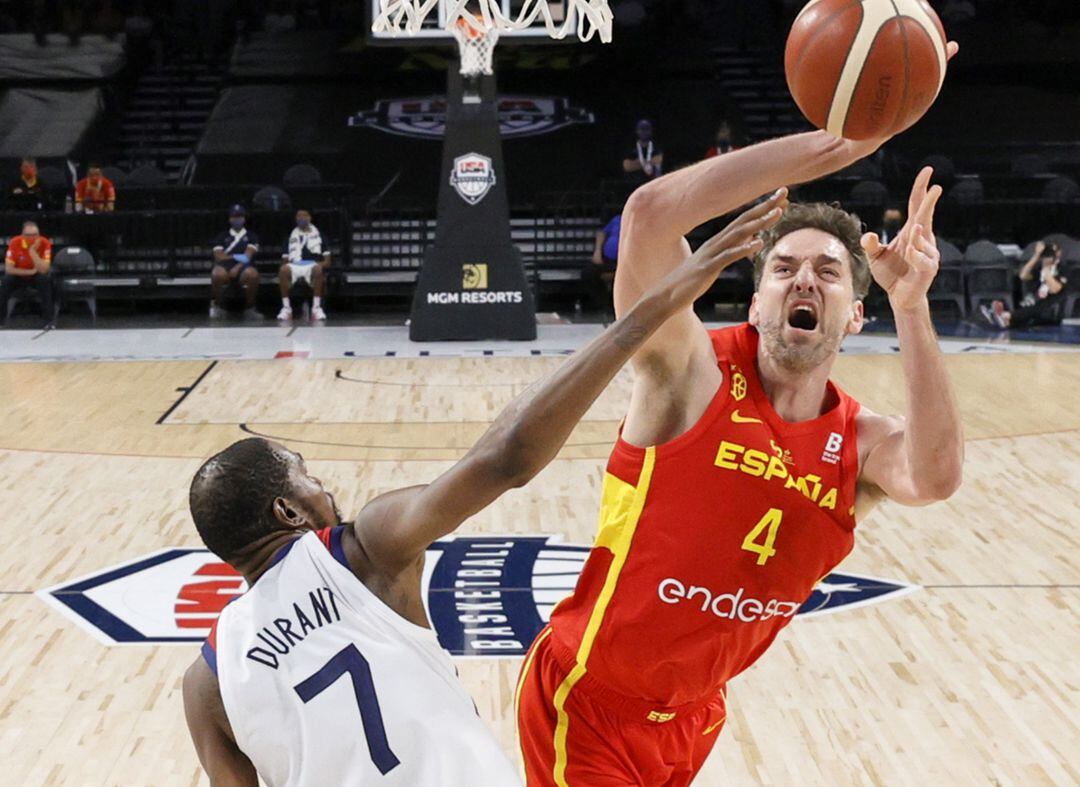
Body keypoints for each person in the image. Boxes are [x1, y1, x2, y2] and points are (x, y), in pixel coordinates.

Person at [180, 196, 787, 786]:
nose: (324, 488)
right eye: (306, 475)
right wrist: (649, 311)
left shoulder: (206, 684)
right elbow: (507, 458)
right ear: (286, 510)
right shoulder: (362, 552)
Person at [517, 44, 965, 786]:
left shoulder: (855, 438)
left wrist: (912, 307)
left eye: (827, 271)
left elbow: (936, 475)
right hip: (589, 702)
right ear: (755, 301)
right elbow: (651, 214)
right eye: (783, 267)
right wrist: (839, 145)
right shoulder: (688, 371)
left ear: (855, 314)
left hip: (696, 715)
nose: (804, 279)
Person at [980, 240, 1068, 329]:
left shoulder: (1063, 269)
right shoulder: (1038, 269)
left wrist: (1047, 269)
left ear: (1059, 253)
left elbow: (1055, 289)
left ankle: (1005, 316)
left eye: (1051, 252)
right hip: (1032, 307)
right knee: (1026, 306)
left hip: (1050, 309)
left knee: (1036, 307)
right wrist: (1036, 255)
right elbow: (1023, 276)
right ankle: (1004, 319)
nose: (1048, 254)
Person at [277, 209, 330, 322]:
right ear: (295, 219)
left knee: (318, 269)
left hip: (312, 265)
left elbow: (327, 261)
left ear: (310, 218)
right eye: (299, 216)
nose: (301, 218)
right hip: (295, 265)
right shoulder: (289, 237)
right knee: (283, 270)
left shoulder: (320, 236)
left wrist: (317, 264)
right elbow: (285, 260)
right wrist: (288, 267)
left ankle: (316, 308)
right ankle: (286, 308)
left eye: (304, 215)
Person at [210, 205, 261, 319]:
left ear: (244, 219)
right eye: (234, 217)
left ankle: (250, 307)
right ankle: (217, 305)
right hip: (224, 267)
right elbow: (219, 257)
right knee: (217, 274)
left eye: (240, 217)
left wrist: (237, 266)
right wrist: (237, 256)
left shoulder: (251, 236)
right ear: (230, 219)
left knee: (252, 275)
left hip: (243, 267)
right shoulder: (222, 236)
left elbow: (248, 256)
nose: (237, 219)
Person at [2, 220, 54, 328]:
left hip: (36, 276)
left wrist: (32, 251)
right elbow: (9, 269)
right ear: (22, 235)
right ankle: (1, 320)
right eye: (28, 235)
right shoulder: (14, 242)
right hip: (19, 274)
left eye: (35, 235)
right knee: (6, 280)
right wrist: (30, 271)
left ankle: (48, 321)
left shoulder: (45, 243)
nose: (32, 238)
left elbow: (44, 269)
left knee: (45, 280)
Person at [582, 214, 621, 314]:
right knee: (588, 273)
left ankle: (616, 306)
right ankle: (602, 304)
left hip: (624, 261)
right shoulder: (617, 219)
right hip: (607, 259)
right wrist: (597, 252)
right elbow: (601, 233)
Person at [623, 119, 663, 186]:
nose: (644, 132)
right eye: (641, 129)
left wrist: (637, 163)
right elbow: (627, 166)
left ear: (651, 131)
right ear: (637, 131)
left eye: (647, 129)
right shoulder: (631, 149)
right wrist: (648, 163)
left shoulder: (656, 148)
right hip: (633, 185)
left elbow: (659, 161)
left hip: (652, 185)